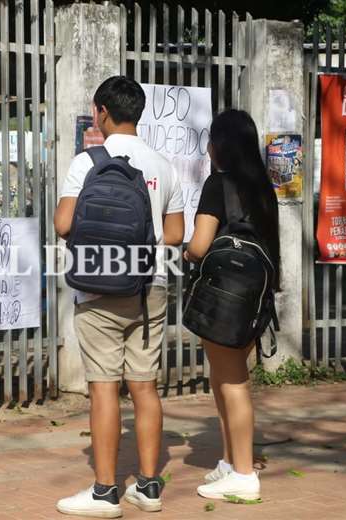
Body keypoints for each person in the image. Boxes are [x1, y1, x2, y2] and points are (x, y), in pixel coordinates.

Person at [54, 76, 185, 518]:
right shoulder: (164, 166)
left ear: (101, 113)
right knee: (145, 387)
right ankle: (148, 487)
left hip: (97, 287)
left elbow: (63, 224)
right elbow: (175, 234)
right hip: (151, 287)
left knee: (104, 388)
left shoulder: (86, 162)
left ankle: (106, 492)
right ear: (140, 113)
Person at [183, 109, 280, 502]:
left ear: (219, 146)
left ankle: (243, 474)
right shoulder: (262, 187)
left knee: (233, 382)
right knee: (226, 378)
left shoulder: (217, 185)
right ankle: (229, 462)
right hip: (254, 297)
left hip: (224, 297)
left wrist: (189, 253)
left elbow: (200, 245)